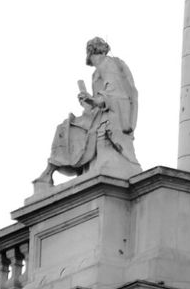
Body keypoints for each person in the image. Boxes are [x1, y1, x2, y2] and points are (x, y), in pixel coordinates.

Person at [34, 38, 140, 189]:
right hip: (99, 113)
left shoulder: (107, 63)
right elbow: (100, 98)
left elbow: (116, 92)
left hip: (111, 115)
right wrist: (87, 102)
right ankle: (53, 171)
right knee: (66, 127)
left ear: (91, 51)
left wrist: (94, 100)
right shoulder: (97, 71)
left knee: (67, 128)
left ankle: (49, 172)